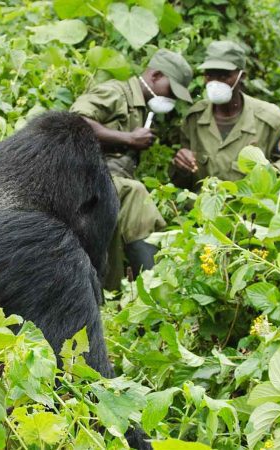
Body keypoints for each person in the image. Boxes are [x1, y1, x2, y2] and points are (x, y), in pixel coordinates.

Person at [71, 49, 194, 289]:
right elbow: (73, 123)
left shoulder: (141, 108)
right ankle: (157, 290)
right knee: (136, 194)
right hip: (85, 176)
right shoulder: (115, 93)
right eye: (172, 91)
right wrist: (127, 139)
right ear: (156, 76)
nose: (173, 99)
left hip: (106, 183)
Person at [172, 40, 280, 188]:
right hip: (203, 208)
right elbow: (183, 182)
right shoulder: (194, 118)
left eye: (224, 77)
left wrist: (268, 175)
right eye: (209, 76)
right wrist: (182, 166)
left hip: (251, 208)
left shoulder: (269, 119)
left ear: (242, 76)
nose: (215, 83)